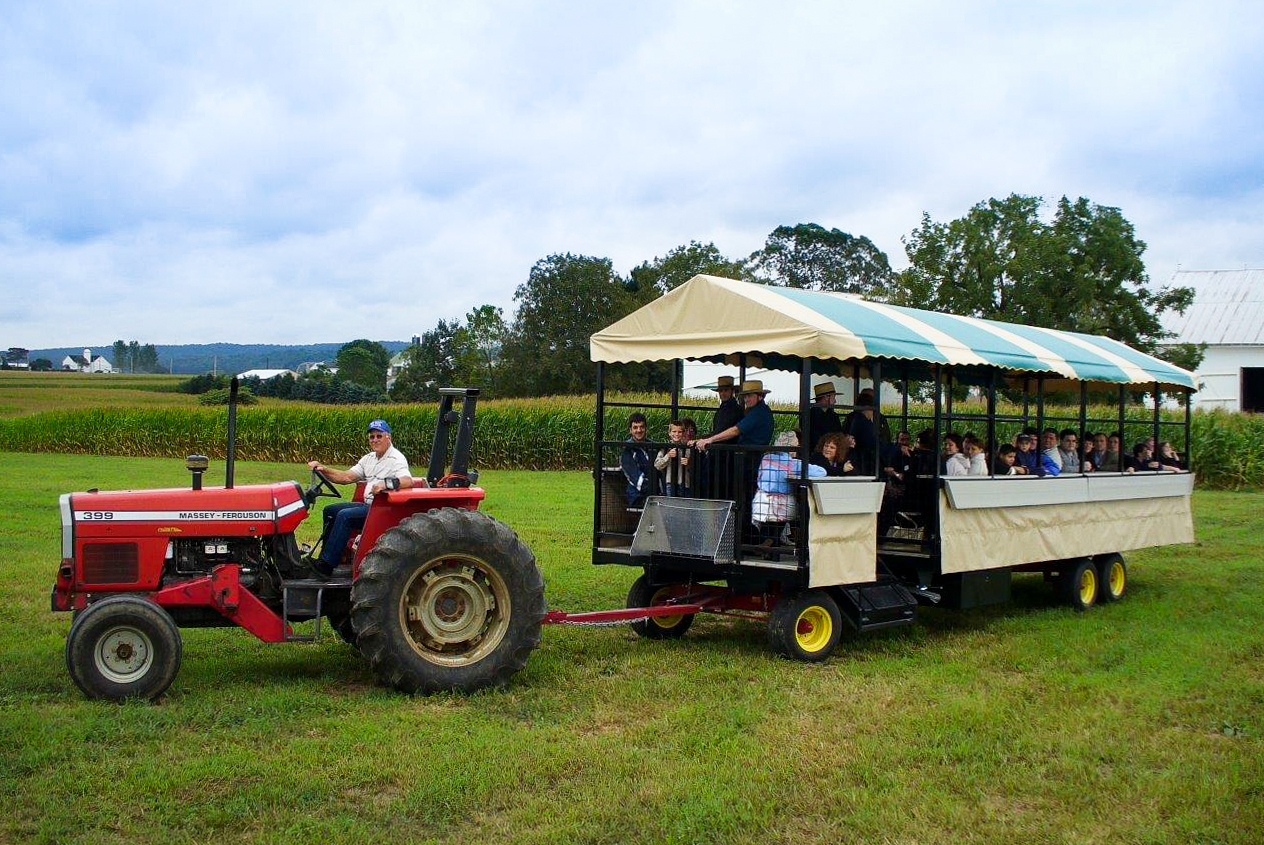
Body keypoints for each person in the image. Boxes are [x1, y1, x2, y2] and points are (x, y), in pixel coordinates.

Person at [307, 419, 415, 575]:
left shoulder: (396, 459)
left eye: (379, 436)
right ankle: (324, 557)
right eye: (372, 437)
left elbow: (407, 480)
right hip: (367, 506)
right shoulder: (369, 459)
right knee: (330, 510)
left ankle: (327, 565)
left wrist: (385, 484)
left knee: (345, 516)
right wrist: (324, 469)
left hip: (382, 509)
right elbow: (346, 477)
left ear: (388, 437)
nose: (375, 440)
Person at [694, 380, 774, 451]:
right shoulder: (761, 410)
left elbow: (735, 430)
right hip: (750, 453)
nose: (746, 400)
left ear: (760, 396)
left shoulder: (757, 413)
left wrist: (710, 440)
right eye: (745, 396)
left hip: (750, 455)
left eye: (749, 396)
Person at [842, 387, 891, 475]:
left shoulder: (880, 418)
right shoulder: (856, 419)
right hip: (862, 461)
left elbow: (886, 436)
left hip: (876, 459)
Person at [620, 413, 652, 507]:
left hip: (654, 496)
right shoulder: (627, 450)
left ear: (646, 428)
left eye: (642, 427)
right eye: (635, 427)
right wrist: (655, 490)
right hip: (637, 497)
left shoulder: (653, 446)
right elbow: (636, 479)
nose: (639, 430)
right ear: (630, 430)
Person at [654, 420, 693, 497]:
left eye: (679, 432)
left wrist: (688, 462)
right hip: (669, 484)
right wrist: (667, 456)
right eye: (674, 431)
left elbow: (694, 468)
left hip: (685, 484)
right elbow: (657, 465)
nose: (677, 434)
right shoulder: (665, 449)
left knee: (683, 506)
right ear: (669, 433)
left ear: (683, 433)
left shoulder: (688, 449)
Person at [807, 381, 843, 453]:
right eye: (834, 397)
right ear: (827, 397)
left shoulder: (832, 415)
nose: (835, 401)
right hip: (817, 453)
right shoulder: (812, 415)